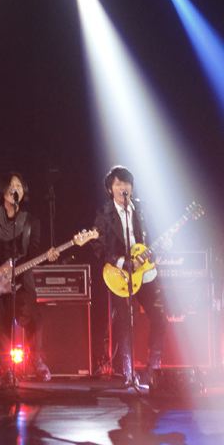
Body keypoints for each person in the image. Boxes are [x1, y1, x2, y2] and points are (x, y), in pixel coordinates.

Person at [0, 172, 57, 388]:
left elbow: (33, 254)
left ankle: (36, 360)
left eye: (19, 185)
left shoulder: (31, 222)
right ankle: (7, 371)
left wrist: (48, 257)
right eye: (11, 185)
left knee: (34, 318)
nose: (15, 188)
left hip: (20, 282)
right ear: (2, 190)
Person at [94, 165, 165, 388]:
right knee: (125, 323)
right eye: (118, 184)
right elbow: (99, 248)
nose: (122, 187)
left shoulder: (142, 209)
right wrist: (124, 263)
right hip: (120, 274)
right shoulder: (104, 214)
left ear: (132, 187)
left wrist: (160, 249)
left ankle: (153, 368)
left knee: (160, 315)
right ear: (110, 189)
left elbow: (152, 236)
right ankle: (128, 373)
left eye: (126, 183)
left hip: (145, 272)